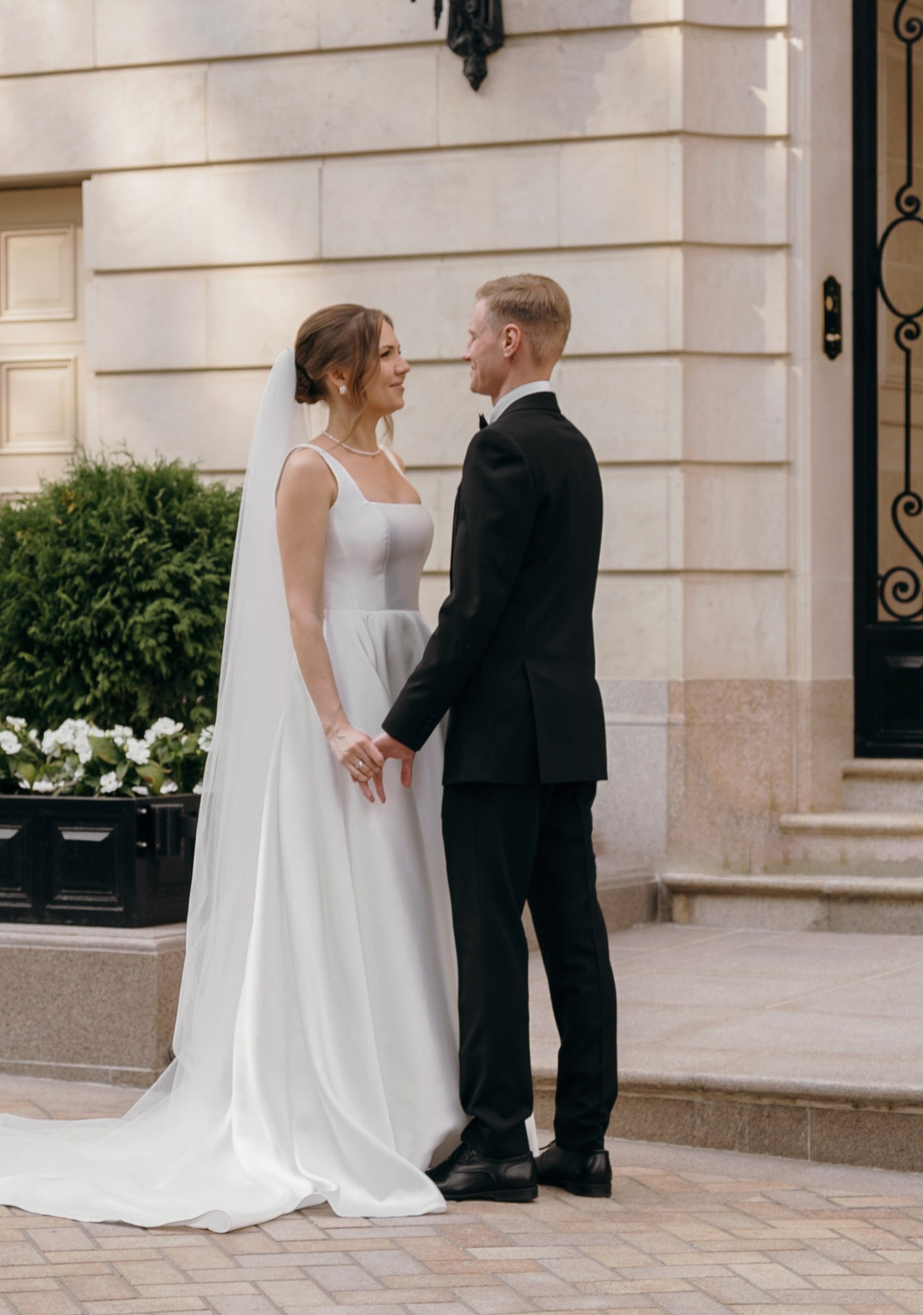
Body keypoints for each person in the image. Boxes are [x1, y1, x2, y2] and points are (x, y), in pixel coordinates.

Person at [0, 306, 463, 1231]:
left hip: (405, 694)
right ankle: (354, 1104)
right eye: (387, 352)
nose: (406, 364)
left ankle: (424, 1091)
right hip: (340, 701)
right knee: (346, 892)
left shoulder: (397, 462)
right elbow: (299, 610)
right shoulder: (308, 470)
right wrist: (336, 725)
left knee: (408, 894)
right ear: (340, 375)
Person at [374, 273, 620, 1204]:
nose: (463, 349)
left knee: (489, 940)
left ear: (512, 340)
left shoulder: (504, 452)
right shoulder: (578, 448)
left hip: (501, 742)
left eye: (474, 334)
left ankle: (499, 1142)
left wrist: (403, 727)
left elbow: (471, 612)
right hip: (566, 732)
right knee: (574, 940)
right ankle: (585, 1145)